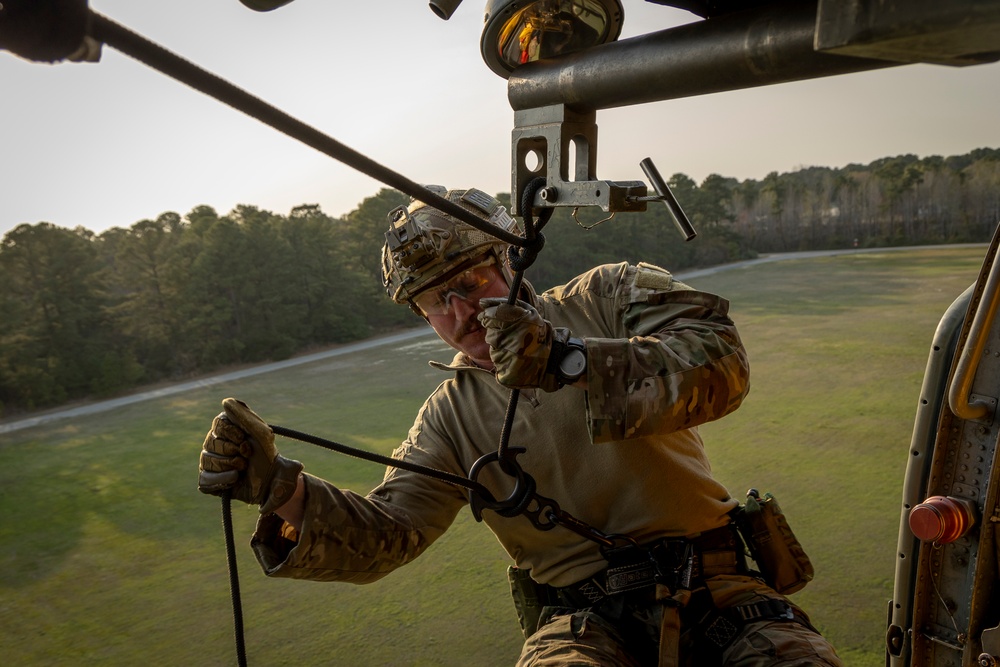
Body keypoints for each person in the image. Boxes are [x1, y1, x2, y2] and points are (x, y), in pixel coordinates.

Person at [198, 186, 843, 666]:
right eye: (432, 301)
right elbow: (389, 535)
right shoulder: (450, 416)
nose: (460, 315)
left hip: (719, 591)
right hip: (580, 627)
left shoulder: (609, 297)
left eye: (471, 279)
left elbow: (721, 358)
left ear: (510, 262)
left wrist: (570, 359)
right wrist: (280, 490)